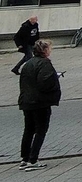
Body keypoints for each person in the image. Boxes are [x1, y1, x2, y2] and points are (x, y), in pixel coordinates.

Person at [18, 39, 61, 171]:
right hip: (40, 102)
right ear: (45, 50)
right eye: (49, 48)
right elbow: (44, 83)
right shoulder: (45, 63)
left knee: (28, 129)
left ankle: (24, 158)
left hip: (26, 100)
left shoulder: (28, 63)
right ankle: (33, 159)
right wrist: (55, 79)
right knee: (40, 130)